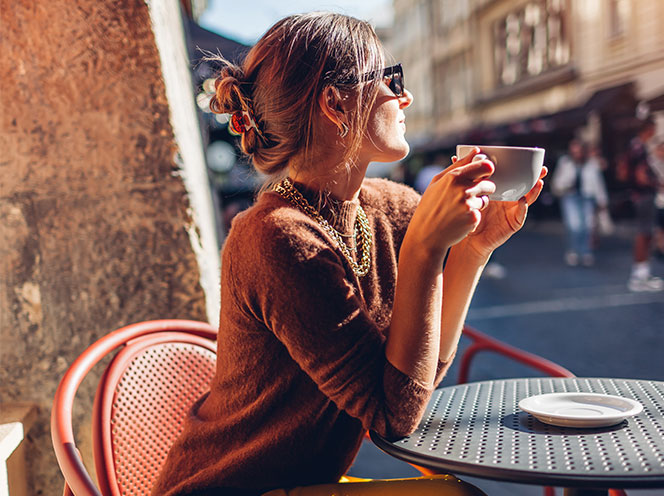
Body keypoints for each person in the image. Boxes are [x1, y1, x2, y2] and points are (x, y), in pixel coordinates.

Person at [153, 13, 546, 496]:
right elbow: (395, 415)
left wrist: (472, 249)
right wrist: (425, 249)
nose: (405, 96)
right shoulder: (274, 238)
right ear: (335, 103)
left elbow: (415, 381)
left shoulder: (391, 206)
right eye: (389, 77)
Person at [551, 139, 608, 266]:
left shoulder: (592, 164)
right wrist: (564, 186)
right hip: (570, 196)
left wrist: (602, 200)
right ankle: (573, 250)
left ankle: (586, 251)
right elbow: (557, 182)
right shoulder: (565, 163)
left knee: (587, 226)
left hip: (587, 196)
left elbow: (598, 183)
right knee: (574, 225)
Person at [626, 121, 664, 291]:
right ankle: (639, 275)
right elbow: (640, 175)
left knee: (646, 233)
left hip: (640, 195)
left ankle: (642, 272)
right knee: (644, 233)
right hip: (644, 196)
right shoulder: (639, 148)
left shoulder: (635, 146)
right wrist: (656, 183)